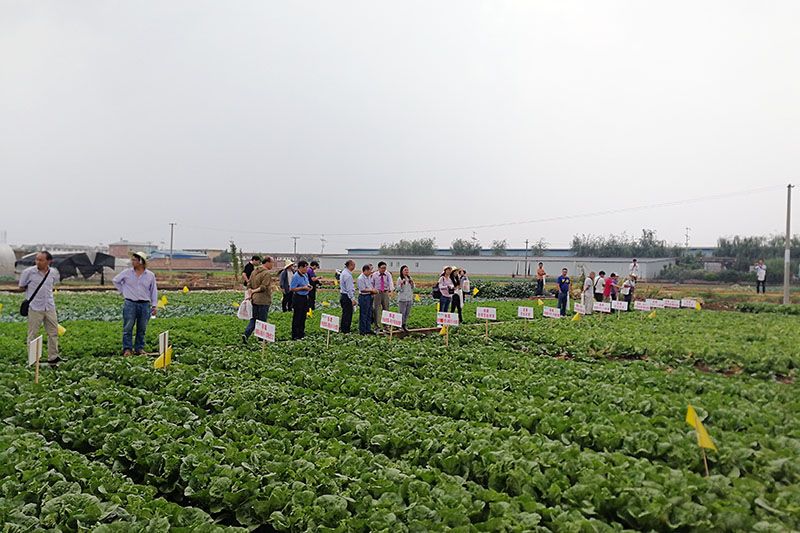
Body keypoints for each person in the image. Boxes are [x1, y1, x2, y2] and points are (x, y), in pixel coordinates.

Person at [19, 251, 62, 366]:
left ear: (49, 261)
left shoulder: (53, 272)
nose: (38, 262)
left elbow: (52, 285)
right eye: (37, 259)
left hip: (49, 306)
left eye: (41, 260)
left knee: (53, 333)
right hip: (35, 307)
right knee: (33, 334)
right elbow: (21, 286)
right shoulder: (28, 272)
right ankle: (32, 360)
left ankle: (53, 357)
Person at [113, 251, 158, 356]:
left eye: (134, 260)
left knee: (142, 328)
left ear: (141, 261)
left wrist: (154, 305)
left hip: (144, 304)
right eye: (132, 259)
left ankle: (139, 348)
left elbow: (153, 290)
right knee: (128, 327)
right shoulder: (127, 272)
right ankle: (127, 349)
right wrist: (123, 291)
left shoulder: (150, 275)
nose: (132, 262)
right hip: (130, 303)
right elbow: (116, 281)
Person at [242, 256, 275, 344]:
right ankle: (261, 339)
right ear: (267, 262)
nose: (272, 265)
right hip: (263, 299)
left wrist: (250, 292)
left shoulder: (254, 271)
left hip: (254, 299)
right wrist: (253, 291)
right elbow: (263, 287)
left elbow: (249, 284)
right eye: (272, 263)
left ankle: (246, 334)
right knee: (262, 320)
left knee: (254, 319)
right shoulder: (266, 273)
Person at [289, 260, 312, 340]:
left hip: (305, 298)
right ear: (301, 267)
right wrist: (303, 288)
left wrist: (309, 287)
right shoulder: (296, 276)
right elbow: (292, 288)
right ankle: (295, 335)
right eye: (306, 267)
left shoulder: (305, 275)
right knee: (297, 317)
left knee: (303, 317)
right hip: (298, 298)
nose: (307, 269)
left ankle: (301, 334)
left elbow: (307, 283)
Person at [370, 261, 394, 330]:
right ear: (378, 268)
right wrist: (372, 291)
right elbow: (371, 283)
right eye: (382, 268)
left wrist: (391, 290)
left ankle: (386, 326)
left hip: (385, 292)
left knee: (386, 309)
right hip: (377, 293)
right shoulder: (374, 275)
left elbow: (390, 282)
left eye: (385, 268)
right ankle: (377, 326)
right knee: (376, 309)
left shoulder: (388, 274)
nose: (384, 269)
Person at [357, 264, 378, 334]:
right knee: (363, 314)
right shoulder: (360, 278)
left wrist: (373, 290)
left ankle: (368, 329)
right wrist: (372, 290)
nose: (371, 272)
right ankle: (363, 330)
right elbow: (362, 289)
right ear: (365, 270)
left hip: (369, 296)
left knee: (369, 313)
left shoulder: (368, 277)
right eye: (369, 270)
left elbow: (369, 286)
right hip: (364, 297)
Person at [339, 260, 356, 333]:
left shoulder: (344, 272)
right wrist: (352, 299)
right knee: (348, 314)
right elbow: (349, 289)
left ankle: (343, 328)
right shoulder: (348, 275)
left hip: (343, 295)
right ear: (350, 265)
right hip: (347, 296)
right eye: (354, 265)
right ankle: (346, 330)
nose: (354, 267)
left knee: (345, 313)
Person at [396, 265, 414, 331]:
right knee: (401, 313)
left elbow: (413, 287)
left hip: (409, 298)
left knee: (407, 313)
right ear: (402, 271)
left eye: (407, 270)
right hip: (402, 299)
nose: (407, 271)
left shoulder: (410, 278)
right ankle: (399, 326)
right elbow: (397, 289)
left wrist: (412, 283)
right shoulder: (399, 279)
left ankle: (404, 324)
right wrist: (401, 284)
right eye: (405, 270)